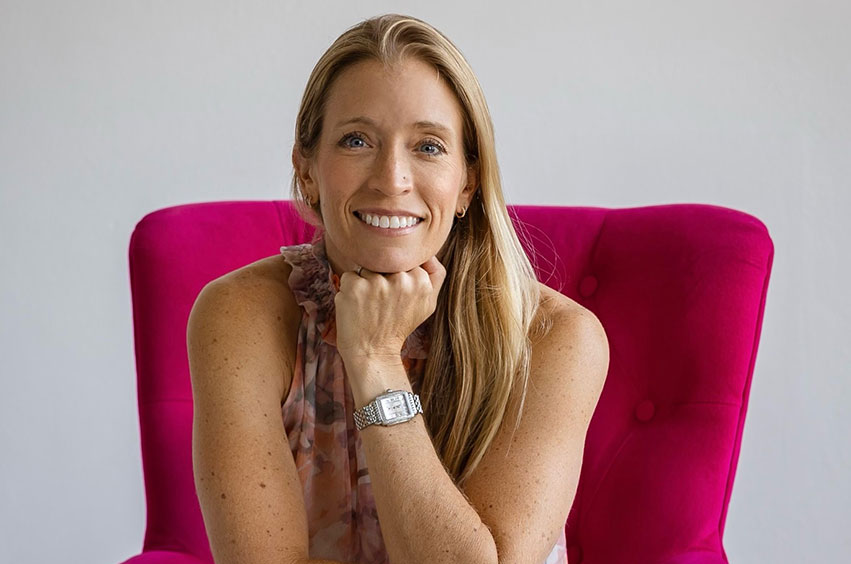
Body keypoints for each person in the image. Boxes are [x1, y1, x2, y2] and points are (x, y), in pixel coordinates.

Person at [187, 13, 609, 564]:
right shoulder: (240, 317)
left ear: (468, 181)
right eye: (356, 140)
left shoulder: (555, 338)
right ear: (307, 171)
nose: (392, 179)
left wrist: (375, 359)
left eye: (428, 147)